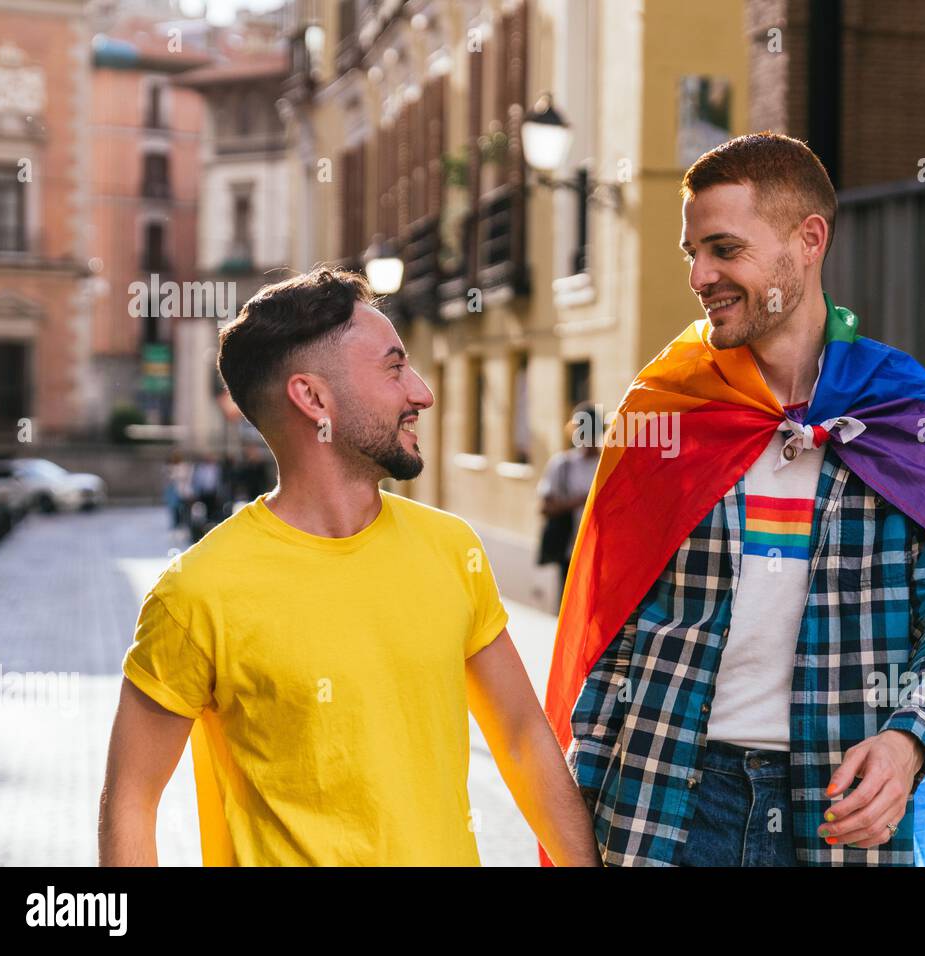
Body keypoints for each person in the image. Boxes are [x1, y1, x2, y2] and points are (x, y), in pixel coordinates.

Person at [542, 133, 925, 867]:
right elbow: (611, 628)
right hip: (664, 804)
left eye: (724, 248)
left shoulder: (903, 412)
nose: (700, 275)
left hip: (841, 817)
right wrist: (580, 806)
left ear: (808, 240)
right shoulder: (668, 408)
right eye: (692, 252)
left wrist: (909, 740)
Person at [99, 267, 599, 867]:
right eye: (393, 368)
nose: (422, 392)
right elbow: (131, 802)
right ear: (313, 398)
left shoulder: (451, 549)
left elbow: (522, 739)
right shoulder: (197, 593)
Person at [535, 401, 601, 608]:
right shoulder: (563, 464)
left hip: (601, 549)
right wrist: (580, 501)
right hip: (570, 549)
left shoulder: (607, 463)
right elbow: (546, 507)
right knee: (570, 606)